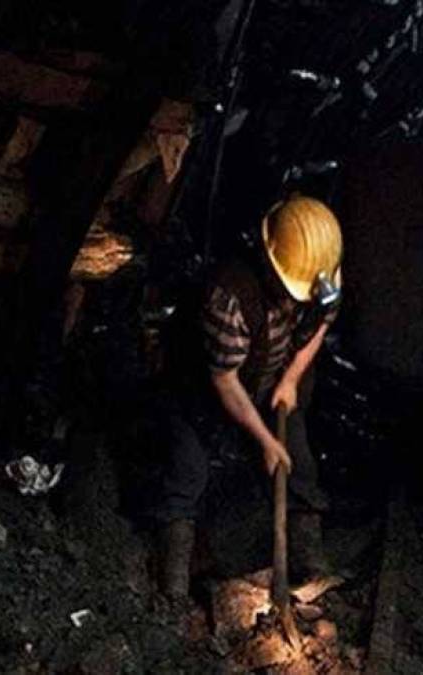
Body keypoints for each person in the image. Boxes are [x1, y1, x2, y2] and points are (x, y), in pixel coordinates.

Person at [149, 194, 343, 599]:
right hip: (202, 387)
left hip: (271, 380)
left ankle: (309, 564)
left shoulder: (320, 275)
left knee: (298, 463)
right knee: (187, 470)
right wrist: (265, 441)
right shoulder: (230, 296)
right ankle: (172, 588)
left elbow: (323, 322)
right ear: (271, 263)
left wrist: (290, 379)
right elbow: (224, 381)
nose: (297, 299)